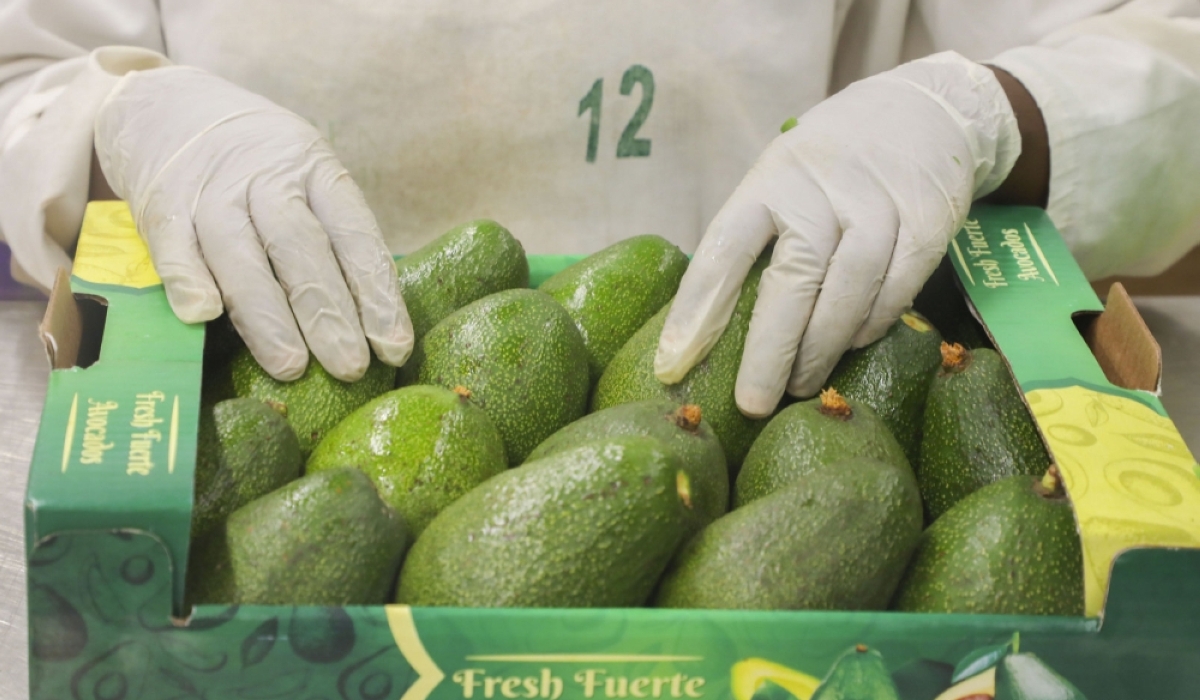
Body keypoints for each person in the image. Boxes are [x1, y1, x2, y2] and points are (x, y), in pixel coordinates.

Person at [1, 1, 1197, 418]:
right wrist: (133, 126)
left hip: (769, 389)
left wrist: (978, 111)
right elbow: (23, 77)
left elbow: (1171, 62)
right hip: (256, 393)